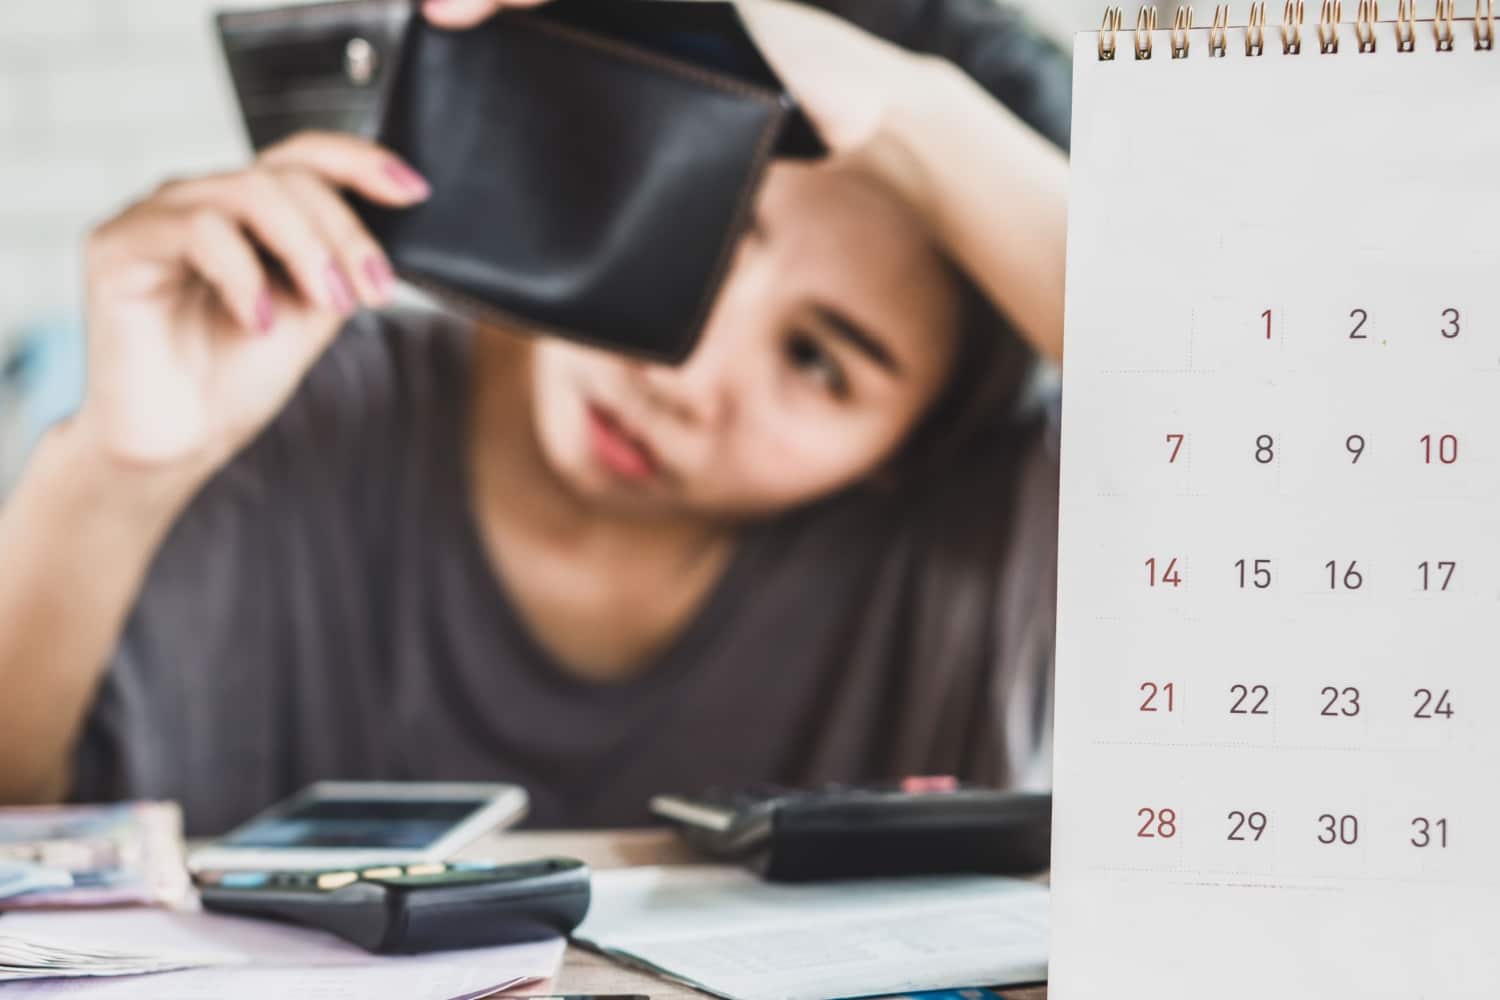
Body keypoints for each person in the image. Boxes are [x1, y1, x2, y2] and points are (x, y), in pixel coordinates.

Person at [0, 0, 1070, 834]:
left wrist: (910, 114)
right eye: (694, 224)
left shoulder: (990, 531)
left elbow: (1219, 382)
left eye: (818, 360)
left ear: (917, 441)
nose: (683, 372)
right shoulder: (282, 391)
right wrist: (113, 473)